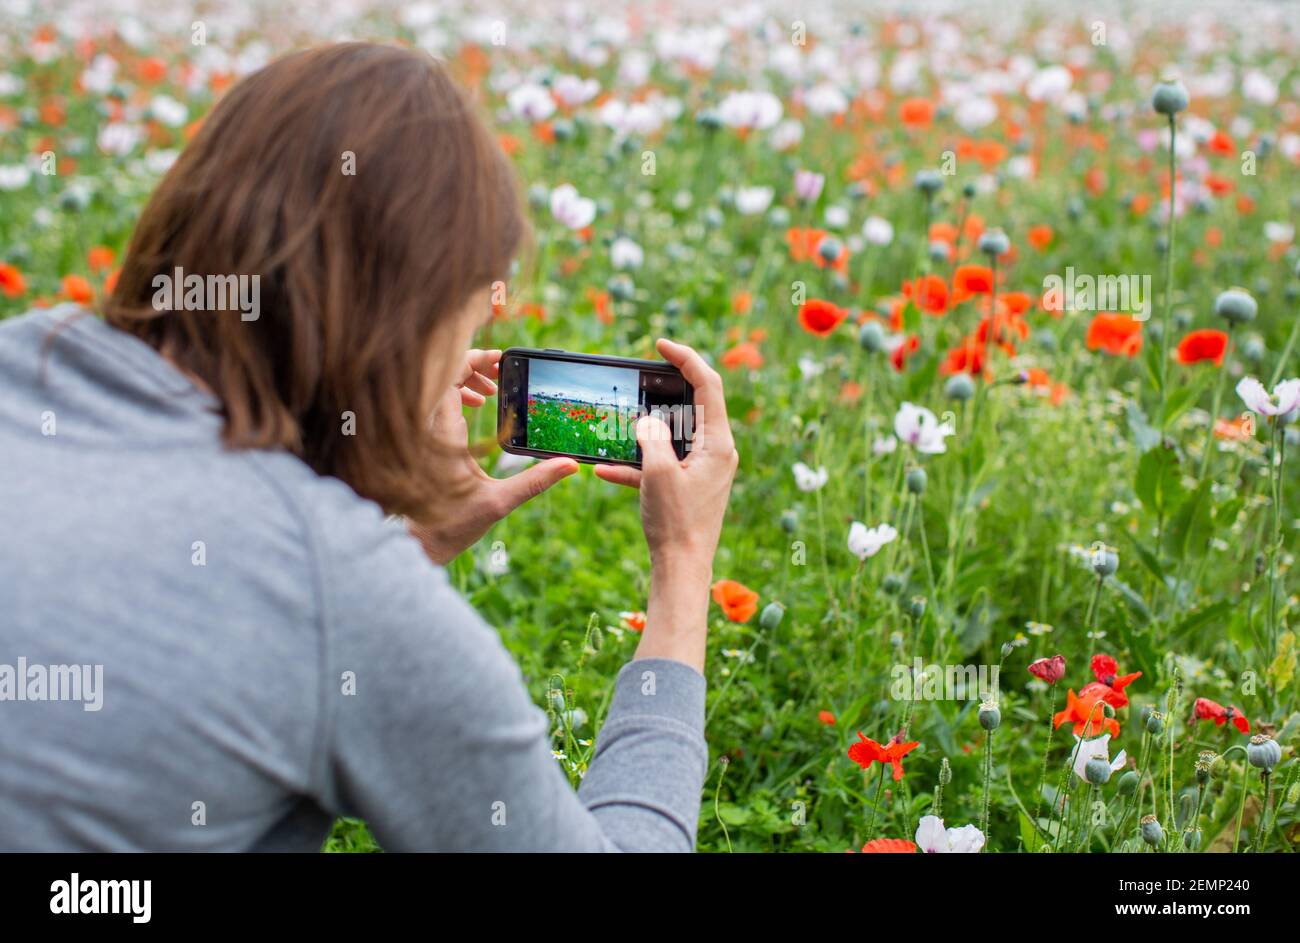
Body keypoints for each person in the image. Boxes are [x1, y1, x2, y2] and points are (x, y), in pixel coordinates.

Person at [0, 42, 737, 852]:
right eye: (468, 315)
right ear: (409, 324)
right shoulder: (344, 593)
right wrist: (683, 560)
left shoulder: (22, 355)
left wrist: (403, 545)